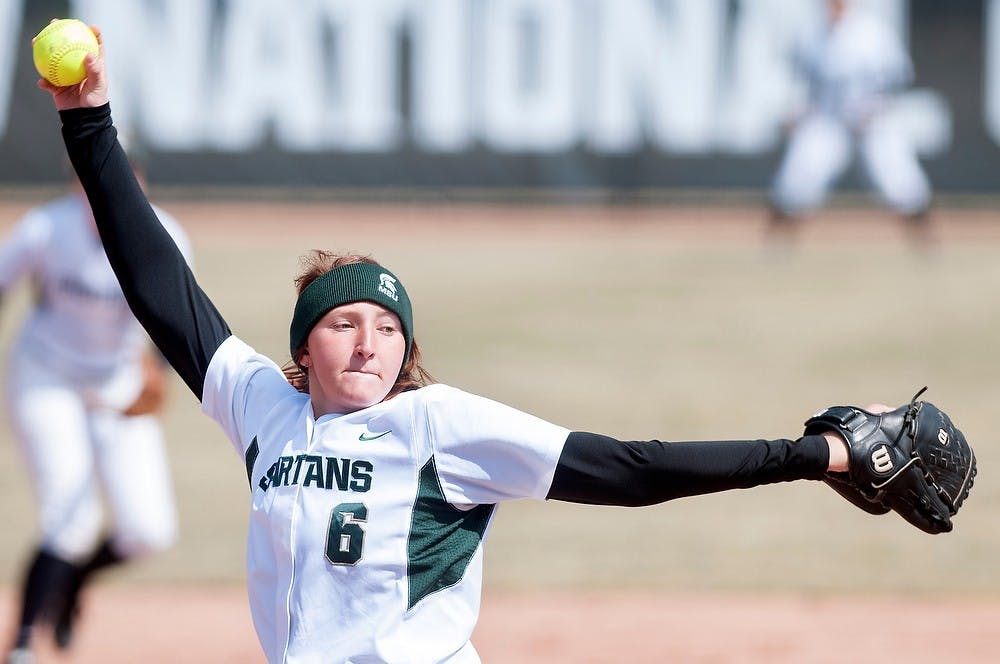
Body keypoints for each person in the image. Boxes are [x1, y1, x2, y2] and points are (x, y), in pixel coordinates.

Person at [40, 28, 914, 664]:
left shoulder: (438, 428)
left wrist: (816, 454)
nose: (370, 344)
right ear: (303, 349)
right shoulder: (262, 405)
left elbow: (633, 469)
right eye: (345, 323)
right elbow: (159, 285)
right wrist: (90, 125)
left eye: (389, 330)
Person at [1, 140, 192, 662]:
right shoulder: (47, 229)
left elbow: (179, 319)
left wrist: (162, 373)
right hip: (46, 378)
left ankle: (72, 585)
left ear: (140, 183)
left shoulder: (164, 234)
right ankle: (21, 644)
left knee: (148, 530)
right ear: (74, 182)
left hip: (116, 386)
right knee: (71, 518)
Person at [768, 0, 933, 248]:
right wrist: (796, 110)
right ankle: (776, 242)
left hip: (874, 120)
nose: (835, 5)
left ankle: (924, 243)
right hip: (828, 118)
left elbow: (899, 77)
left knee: (900, 179)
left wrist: (878, 107)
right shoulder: (810, 32)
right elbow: (798, 81)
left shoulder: (874, 31)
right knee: (800, 175)